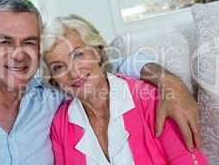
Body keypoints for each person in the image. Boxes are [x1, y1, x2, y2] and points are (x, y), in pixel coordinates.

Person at [0, 0, 199, 165]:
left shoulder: (49, 96)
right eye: (5, 41)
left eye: (29, 42)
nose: (18, 54)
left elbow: (106, 69)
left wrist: (169, 83)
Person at [42, 14, 209, 164]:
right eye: (58, 67)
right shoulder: (60, 125)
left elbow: (186, 159)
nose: (73, 72)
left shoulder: (149, 98)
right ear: (53, 78)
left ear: (97, 51)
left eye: (78, 55)